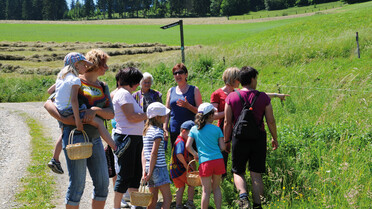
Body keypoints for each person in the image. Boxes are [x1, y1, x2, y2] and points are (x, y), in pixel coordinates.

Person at [44, 49, 114, 208]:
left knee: (103, 186)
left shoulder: (103, 86)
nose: (107, 68)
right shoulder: (74, 79)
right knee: (77, 186)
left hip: (96, 139)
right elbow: (48, 103)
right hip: (75, 138)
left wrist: (95, 111)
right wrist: (65, 120)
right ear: (93, 64)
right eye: (104, 64)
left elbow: (111, 114)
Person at [211, 67, 289, 177]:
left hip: (241, 131)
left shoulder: (237, 92)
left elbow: (257, 95)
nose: (240, 80)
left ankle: (237, 188)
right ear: (233, 79)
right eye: (238, 78)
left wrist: (276, 95)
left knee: (238, 165)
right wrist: (229, 112)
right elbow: (214, 116)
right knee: (224, 157)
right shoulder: (217, 94)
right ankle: (221, 180)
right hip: (225, 130)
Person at [224, 66, 279, 209]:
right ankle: (258, 205)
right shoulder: (263, 97)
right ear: (253, 79)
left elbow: (227, 122)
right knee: (256, 173)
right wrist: (274, 138)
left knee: (238, 171)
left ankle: (243, 198)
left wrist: (226, 140)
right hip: (258, 138)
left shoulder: (231, 97)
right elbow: (271, 121)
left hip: (239, 138)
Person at [112, 67, 147, 209]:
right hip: (127, 138)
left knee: (135, 173)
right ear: (132, 81)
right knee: (125, 174)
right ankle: (116, 206)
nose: (139, 84)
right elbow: (132, 117)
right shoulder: (123, 95)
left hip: (134, 138)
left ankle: (135, 205)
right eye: (138, 81)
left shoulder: (126, 94)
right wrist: (149, 114)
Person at [186, 103, 226, 209]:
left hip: (205, 162)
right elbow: (222, 147)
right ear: (211, 115)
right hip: (218, 160)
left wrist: (195, 154)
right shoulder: (217, 129)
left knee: (206, 190)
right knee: (217, 188)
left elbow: (188, 146)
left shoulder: (194, 129)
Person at [164, 63, 202, 150]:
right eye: (175, 73)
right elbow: (167, 111)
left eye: (180, 72)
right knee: (177, 156)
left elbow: (200, 112)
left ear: (186, 74)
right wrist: (165, 128)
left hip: (190, 130)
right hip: (175, 129)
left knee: (191, 156)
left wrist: (188, 106)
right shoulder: (171, 90)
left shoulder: (194, 90)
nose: (178, 75)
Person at [142, 102, 172, 209]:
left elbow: (144, 153)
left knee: (152, 198)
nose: (165, 117)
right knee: (168, 198)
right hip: (159, 168)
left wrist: (145, 171)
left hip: (149, 168)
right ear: (157, 117)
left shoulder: (146, 131)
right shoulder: (158, 132)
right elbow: (154, 153)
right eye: (164, 115)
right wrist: (149, 172)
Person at [170, 120, 197, 209]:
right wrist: (186, 165)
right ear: (184, 131)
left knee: (180, 188)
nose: (191, 137)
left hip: (174, 170)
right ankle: (190, 202)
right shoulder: (181, 141)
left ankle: (178, 205)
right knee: (191, 184)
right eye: (190, 134)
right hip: (181, 169)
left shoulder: (178, 140)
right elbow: (179, 154)